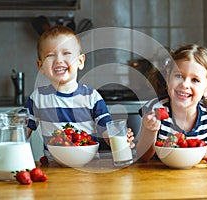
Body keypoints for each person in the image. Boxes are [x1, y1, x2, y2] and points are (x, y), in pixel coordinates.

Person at [25, 25, 134, 161]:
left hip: (90, 168)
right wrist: (1, 156)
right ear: (41, 66)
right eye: (50, 55)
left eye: (66, 53)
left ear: (80, 61)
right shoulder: (38, 98)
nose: (58, 60)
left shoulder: (92, 97)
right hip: (54, 170)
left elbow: (106, 132)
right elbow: (20, 132)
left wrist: (120, 138)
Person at [136, 44, 207, 162]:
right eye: (179, 76)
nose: (184, 85)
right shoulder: (154, 109)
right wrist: (150, 130)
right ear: (168, 78)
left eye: (195, 80)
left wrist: (193, 152)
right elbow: (143, 156)